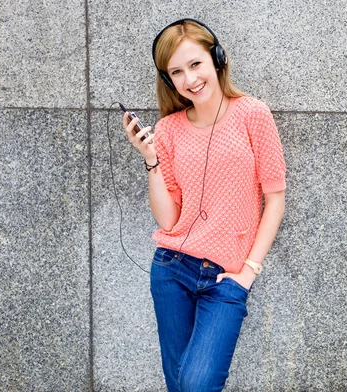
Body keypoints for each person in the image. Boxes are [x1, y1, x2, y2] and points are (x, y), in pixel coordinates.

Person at [122, 18, 286, 392]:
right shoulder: (168, 130)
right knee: (178, 384)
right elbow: (168, 218)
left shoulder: (252, 114)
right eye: (176, 71)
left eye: (195, 64)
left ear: (217, 58)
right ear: (168, 80)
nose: (189, 79)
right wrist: (150, 157)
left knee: (196, 384)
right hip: (171, 269)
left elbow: (275, 198)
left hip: (226, 277)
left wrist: (248, 272)